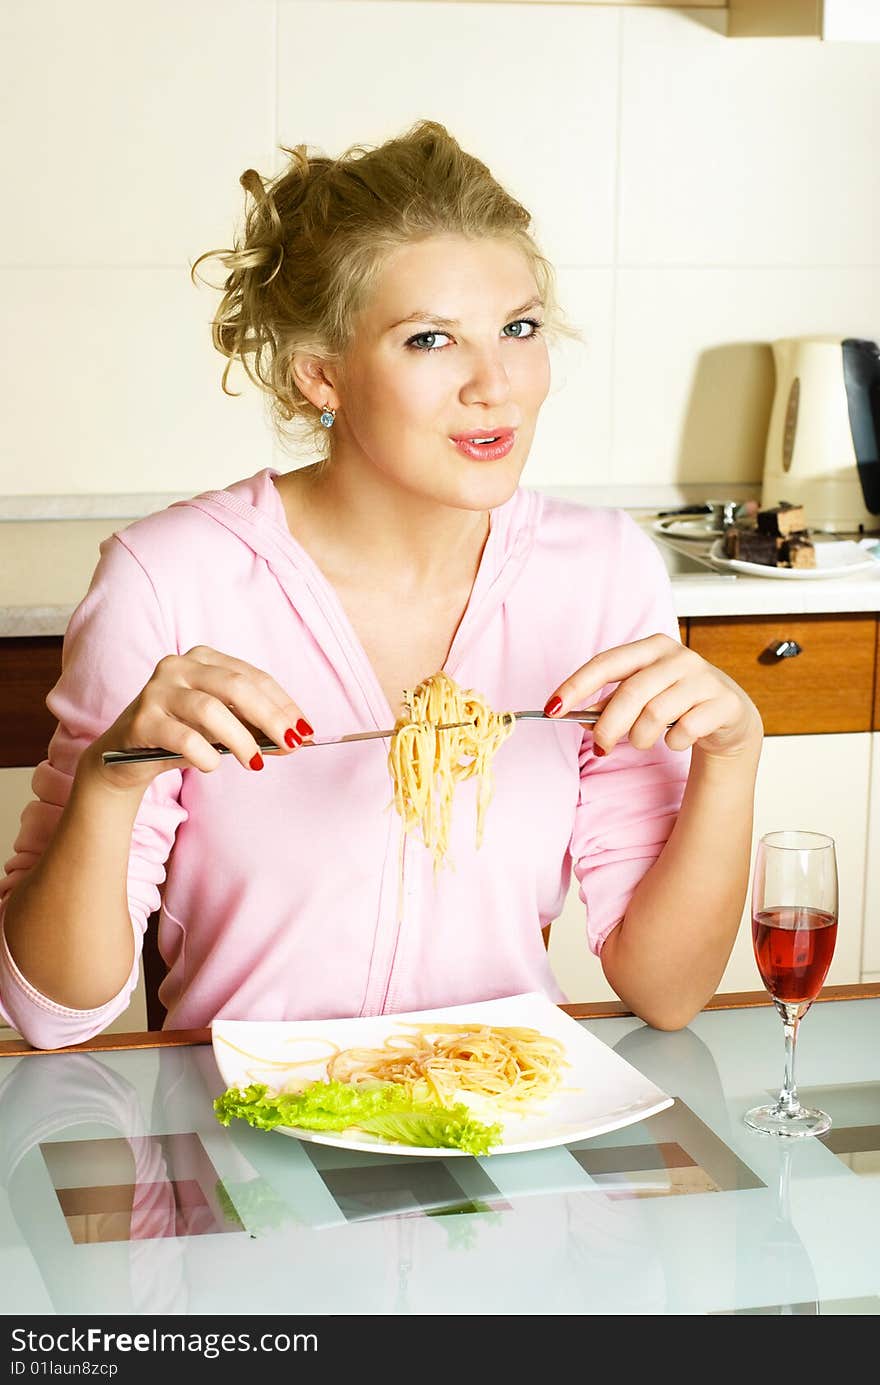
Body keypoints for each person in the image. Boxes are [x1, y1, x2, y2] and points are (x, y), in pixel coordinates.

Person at [0, 120, 763, 1052]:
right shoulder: (171, 579)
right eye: (431, 339)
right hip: (244, 1158)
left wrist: (733, 756)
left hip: (500, 1134)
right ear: (322, 375)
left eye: (518, 329)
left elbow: (669, 991)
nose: (498, 385)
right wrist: (110, 786)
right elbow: (51, 1016)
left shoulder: (603, 573)